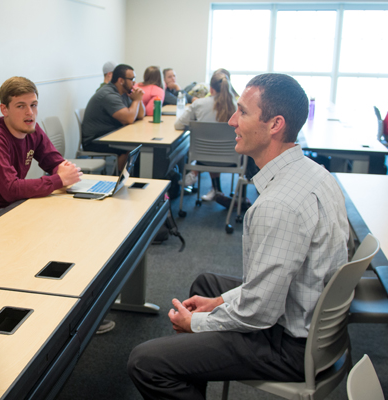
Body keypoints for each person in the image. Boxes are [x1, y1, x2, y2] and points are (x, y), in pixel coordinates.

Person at [127, 73, 349, 399]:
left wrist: (197, 324)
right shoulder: (316, 174)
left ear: (275, 124)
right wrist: (218, 303)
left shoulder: (278, 206)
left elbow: (258, 314)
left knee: (144, 362)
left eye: (242, 112)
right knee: (207, 285)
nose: (232, 120)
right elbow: (268, 286)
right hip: (315, 328)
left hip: (290, 347)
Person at [0, 76, 83, 227]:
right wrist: (60, 179)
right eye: (21, 106)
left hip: (10, 205)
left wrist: (63, 169)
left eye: (34, 105)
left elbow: (54, 161)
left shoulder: (32, 129)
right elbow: (11, 189)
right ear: (4, 109)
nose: (30, 112)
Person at [175, 72, 237, 201]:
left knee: (211, 148)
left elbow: (178, 125)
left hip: (203, 158)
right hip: (232, 159)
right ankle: (231, 194)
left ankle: (195, 174)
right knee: (218, 147)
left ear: (211, 88)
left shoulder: (199, 104)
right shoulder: (236, 107)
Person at [81, 64, 143, 173]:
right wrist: (136, 101)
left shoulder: (123, 93)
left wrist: (138, 99)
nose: (134, 82)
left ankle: (130, 178)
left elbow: (140, 115)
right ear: (121, 80)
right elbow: (129, 119)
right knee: (128, 148)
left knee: (135, 146)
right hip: (96, 140)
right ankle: (118, 179)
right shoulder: (108, 94)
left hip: (110, 135)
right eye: (131, 79)